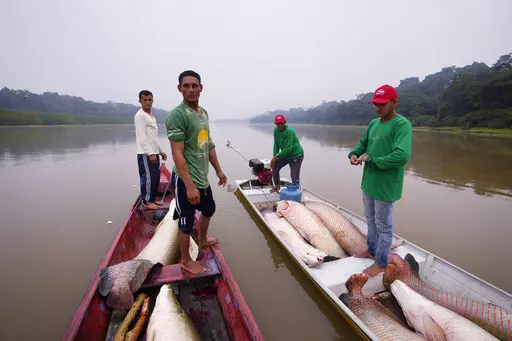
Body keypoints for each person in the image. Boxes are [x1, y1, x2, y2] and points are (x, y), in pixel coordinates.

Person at [166, 70, 227, 275]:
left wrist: (219, 171)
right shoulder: (178, 115)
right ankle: (185, 260)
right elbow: (177, 153)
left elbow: (207, 144)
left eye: (195, 86)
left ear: (201, 88)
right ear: (179, 88)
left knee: (209, 208)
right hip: (186, 179)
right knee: (186, 220)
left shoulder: (203, 113)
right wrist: (189, 185)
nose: (191, 90)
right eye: (186, 86)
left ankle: (201, 240)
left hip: (202, 177)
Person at [348, 84, 412, 277]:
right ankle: (371, 249)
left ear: (394, 102)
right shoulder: (374, 123)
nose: (378, 108)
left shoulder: (402, 125)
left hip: (386, 186)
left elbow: (401, 156)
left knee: (384, 226)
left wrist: (373, 160)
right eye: (375, 104)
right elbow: (363, 144)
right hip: (368, 182)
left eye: (382, 104)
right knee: (370, 221)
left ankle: (381, 262)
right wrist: (354, 154)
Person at [134, 90, 167, 210]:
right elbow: (142, 138)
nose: (148, 102)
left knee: (155, 178)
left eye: (150, 100)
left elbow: (153, 137)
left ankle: (152, 199)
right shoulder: (140, 116)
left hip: (154, 152)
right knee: (148, 178)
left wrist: (160, 151)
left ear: (152, 100)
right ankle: (147, 201)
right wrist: (149, 154)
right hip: (145, 154)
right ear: (140, 101)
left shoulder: (151, 115)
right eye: (145, 100)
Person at [270, 114, 304, 192]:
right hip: (286, 154)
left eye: (281, 123)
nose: (279, 125)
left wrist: (277, 156)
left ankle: (296, 193)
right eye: (278, 123)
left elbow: (289, 148)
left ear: (285, 122)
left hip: (296, 155)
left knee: (294, 175)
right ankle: (277, 186)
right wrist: (274, 157)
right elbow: (276, 144)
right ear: (275, 124)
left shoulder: (289, 131)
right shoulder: (276, 131)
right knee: (275, 167)